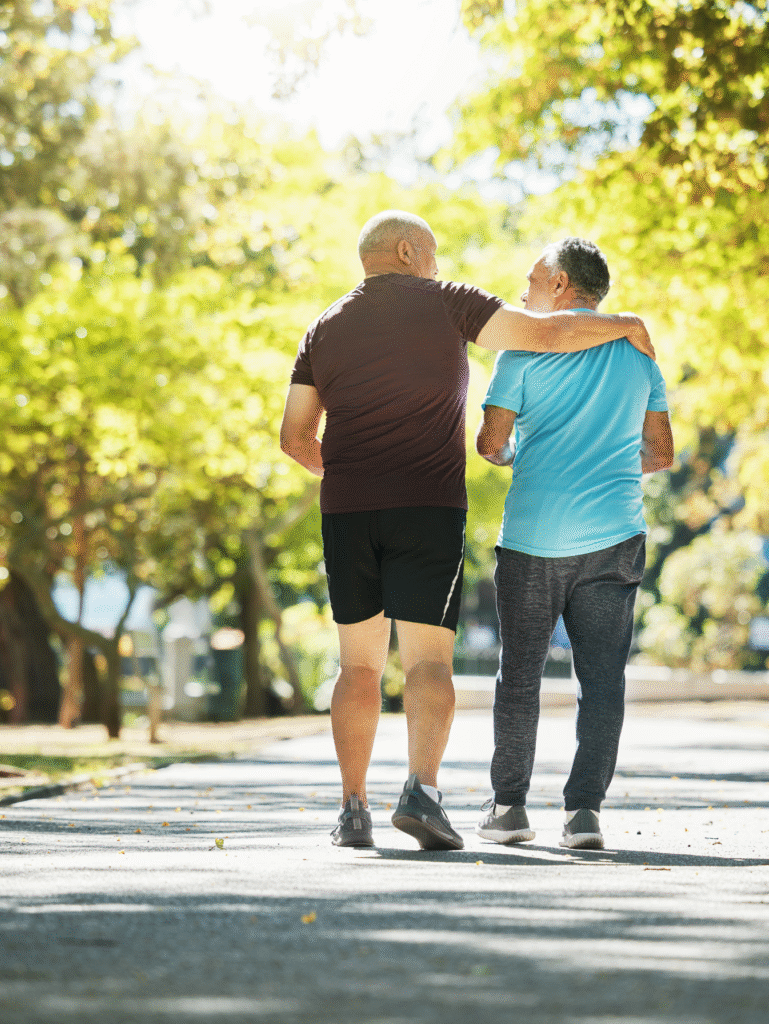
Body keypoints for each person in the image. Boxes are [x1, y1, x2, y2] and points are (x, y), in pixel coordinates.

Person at [279, 211, 656, 851]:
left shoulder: (325, 325)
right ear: (407, 251)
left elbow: (294, 437)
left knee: (357, 665)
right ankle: (421, 794)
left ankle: (353, 809)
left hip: (348, 512)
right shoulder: (448, 301)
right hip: (427, 509)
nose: (438, 264)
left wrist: (348, 472)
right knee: (428, 662)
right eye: (432, 252)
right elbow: (544, 332)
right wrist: (628, 324)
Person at [474, 237, 673, 850]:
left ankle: (509, 808)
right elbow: (662, 453)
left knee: (520, 674)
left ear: (560, 283)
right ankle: (584, 814)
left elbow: (490, 443)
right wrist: (605, 464)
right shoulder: (639, 357)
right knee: (603, 679)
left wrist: (520, 455)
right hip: (616, 536)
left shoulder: (521, 352)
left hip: (534, 536)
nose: (524, 290)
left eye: (533, 279)